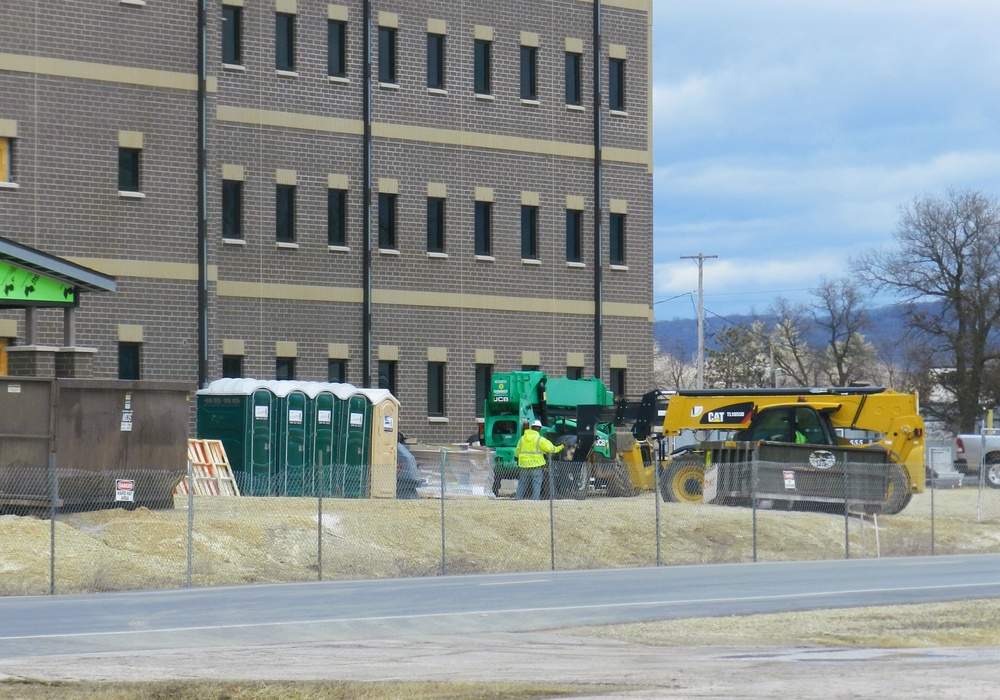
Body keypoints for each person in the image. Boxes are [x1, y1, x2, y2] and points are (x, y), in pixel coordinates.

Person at [514, 419, 564, 500]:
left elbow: (517, 451)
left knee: (522, 483)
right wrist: (562, 446)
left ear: (531, 428)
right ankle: (535, 501)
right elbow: (552, 449)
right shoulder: (540, 439)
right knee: (536, 484)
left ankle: (518, 499)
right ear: (540, 429)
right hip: (536, 466)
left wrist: (517, 458)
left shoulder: (522, 438)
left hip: (524, 465)